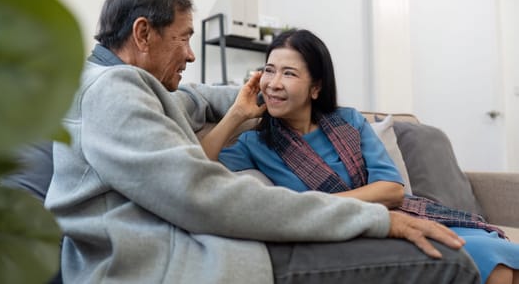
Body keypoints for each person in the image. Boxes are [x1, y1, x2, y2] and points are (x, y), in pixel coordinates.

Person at [45, 0, 480, 284]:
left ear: (315, 86)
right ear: (143, 33)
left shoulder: (128, 86)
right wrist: (373, 219)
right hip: (163, 263)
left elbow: (194, 99)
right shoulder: (111, 92)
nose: (191, 55)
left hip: (196, 244)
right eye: (182, 38)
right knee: (452, 264)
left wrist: (260, 95)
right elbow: (206, 196)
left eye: (288, 74)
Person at [203, 29, 519, 284]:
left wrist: (326, 204)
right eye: (269, 71)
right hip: (352, 234)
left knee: (502, 253)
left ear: (316, 88)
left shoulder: (349, 121)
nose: (273, 83)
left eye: (289, 73)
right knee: (493, 263)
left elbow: (392, 189)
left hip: (402, 216)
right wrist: (235, 115)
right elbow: (194, 169)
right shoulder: (255, 143)